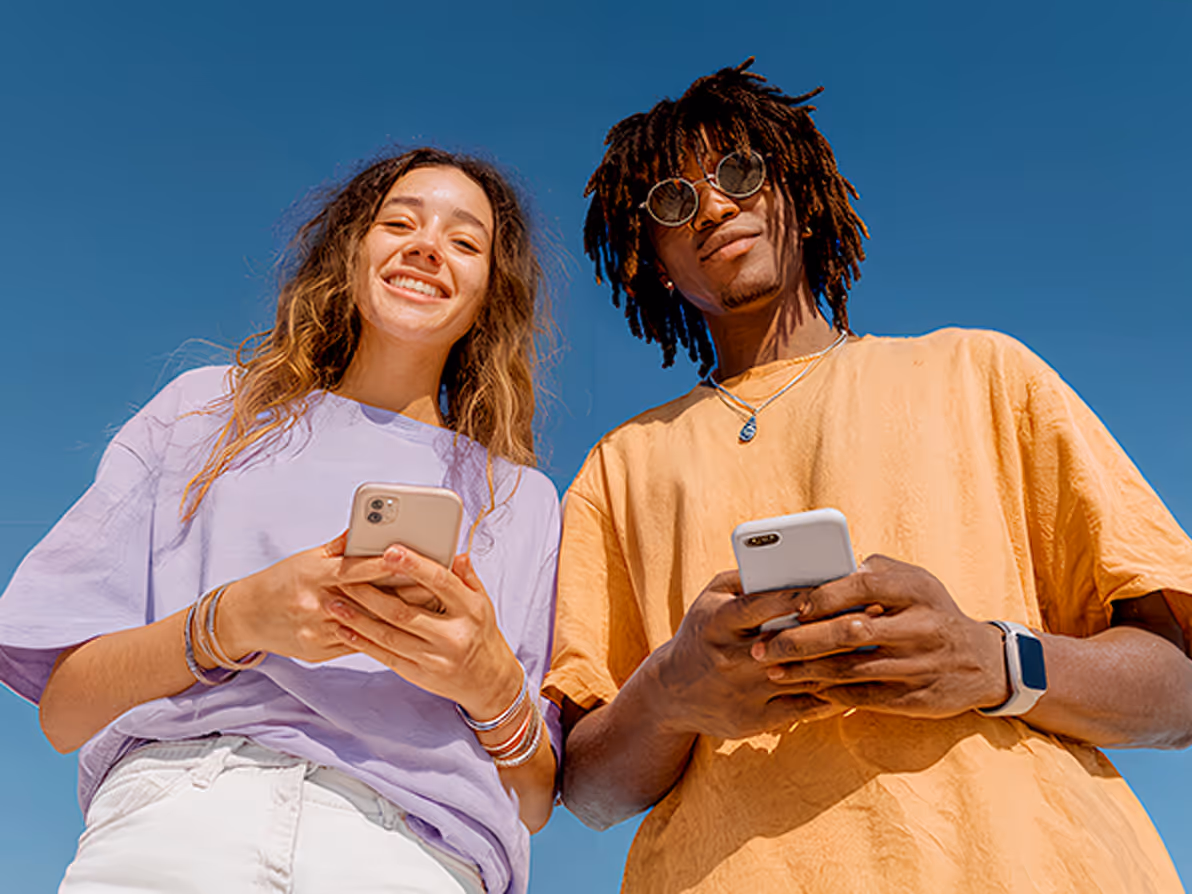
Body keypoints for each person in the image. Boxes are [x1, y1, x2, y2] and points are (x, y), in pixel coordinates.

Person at [545, 59, 1192, 893]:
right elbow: (588, 792)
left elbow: (1177, 689)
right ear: (655, 259)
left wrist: (989, 661)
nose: (712, 206)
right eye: (672, 201)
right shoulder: (616, 466)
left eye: (739, 171)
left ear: (799, 195)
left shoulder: (983, 371)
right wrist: (673, 692)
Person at [0, 147, 560, 894]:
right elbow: (64, 712)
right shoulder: (206, 415)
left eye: (465, 242)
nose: (428, 246)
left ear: (491, 294)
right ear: (352, 250)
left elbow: (535, 798)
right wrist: (233, 620)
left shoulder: (522, 500)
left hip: (412, 855)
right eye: (400, 222)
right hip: (179, 820)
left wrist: (490, 686)